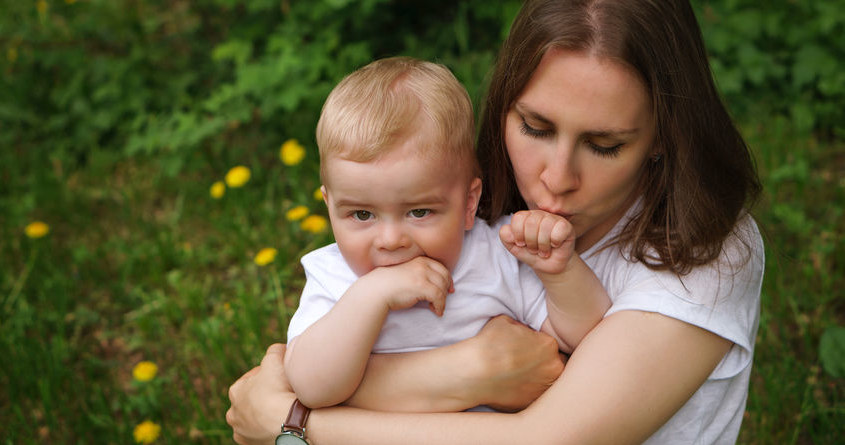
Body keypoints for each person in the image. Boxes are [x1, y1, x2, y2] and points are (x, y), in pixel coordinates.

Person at [227, 0, 764, 443]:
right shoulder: (474, 221)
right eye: (535, 128)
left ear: (663, 139)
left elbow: (551, 433)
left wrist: (294, 421)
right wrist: (474, 372)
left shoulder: (707, 253)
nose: (556, 178)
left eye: (604, 145)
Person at [284, 56, 610, 410]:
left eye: (419, 212)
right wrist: (371, 295)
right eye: (362, 214)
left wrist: (560, 272)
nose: (391, 240)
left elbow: (585, 339)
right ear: (329, 205)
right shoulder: (335, 279)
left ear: (470, 203)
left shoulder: (496, 253)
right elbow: (312, 388)